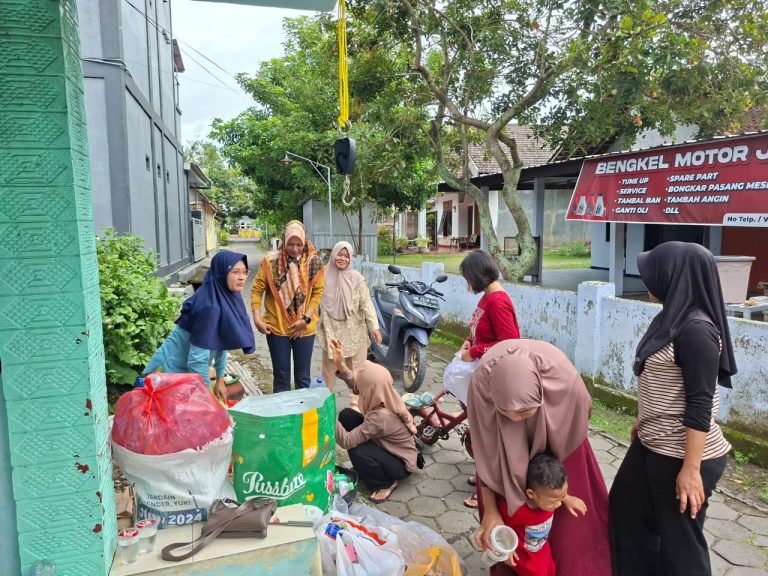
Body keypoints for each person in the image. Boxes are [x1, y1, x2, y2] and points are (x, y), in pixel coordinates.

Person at [609, 242, 736, 576]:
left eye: (654, 273)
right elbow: (662, 381)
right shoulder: (671, 317)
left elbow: (700, 401)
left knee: (681, 546)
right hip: (653, 440)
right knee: (628, 512)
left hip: (683, 453)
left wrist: (691, 469)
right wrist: (643, 418)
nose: (647, 279)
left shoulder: (696, 330)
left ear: (674, 276)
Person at [468, 339, 611, 576]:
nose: (515, 421)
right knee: (504, 523)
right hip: (500, 438)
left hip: (559, 436)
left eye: (525, 412)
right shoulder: (482, 386)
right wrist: (492, 511)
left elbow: (579, 417)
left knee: (571, 529)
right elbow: (486, 453)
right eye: (505, 412)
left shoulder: (565, 384)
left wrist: (562, 496)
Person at [143, 250, 255, 402]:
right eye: (235, 272)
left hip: (187, 374)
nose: (242, 277)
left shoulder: (224, 296)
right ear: (221, 273)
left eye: (244, 272)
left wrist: (221, 378)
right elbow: (196, 360)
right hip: (168, 374)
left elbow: (222, 341)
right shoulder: (208, 307)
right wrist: (206, 396)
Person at [458, 250, 521, 508]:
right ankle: (484, 477)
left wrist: (473, 351)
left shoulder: (498, 302)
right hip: (482, 372)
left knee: (490, 434)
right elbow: (480, 330)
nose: (467, 285)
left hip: (496, 375)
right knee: (480, 429)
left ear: (477, 276)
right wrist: (468, 340)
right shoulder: (487, 298)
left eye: (468, 279)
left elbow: (509, 343)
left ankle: (491, 490)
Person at [331, 339, 420, 503]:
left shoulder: (380, 417)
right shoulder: (384, 391)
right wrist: (340, 363)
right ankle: (368, 468)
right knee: (347, 415)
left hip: (400, 465)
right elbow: (358, 384)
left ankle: (383, 484)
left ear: (369, 389)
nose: (358, 386)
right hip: (388, 446)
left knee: (357, 450)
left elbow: (347, 441)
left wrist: (327, 415)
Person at [251, 220, 324, 392]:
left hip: (305, 329)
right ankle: (282, 416)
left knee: (303, 377)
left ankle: (301, 416)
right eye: (290, 244)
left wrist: (305, 320)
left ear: (305, 241)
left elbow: (317, 293)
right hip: (276, 328)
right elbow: (256, 289)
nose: (295, 249)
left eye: (299, 244)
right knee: (281, 378)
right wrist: (257, 319)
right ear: (284, 241)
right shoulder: (270, 263)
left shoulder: (314, 263)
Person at [317, 241, 381, 391]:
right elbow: (313, 300)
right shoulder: (322, 276)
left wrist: (374, 327)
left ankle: (356, 406)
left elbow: (366, 304)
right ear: (333, 255)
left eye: (347, 256)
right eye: (339, 254)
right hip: (331, 331)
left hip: (355, 330)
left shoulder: (357, 278)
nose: (342, 259)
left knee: (358, 372)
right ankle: (327, 405)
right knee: (329, 372)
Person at [503, 453, 577, 576]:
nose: (558, 504)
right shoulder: (517, 510)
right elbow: (501, 525)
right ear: (531, 494)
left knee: (551, 570)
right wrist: (507, 548)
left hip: (543, 550)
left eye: (562, 497)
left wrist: (567, 499)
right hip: (526, 558)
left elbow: (557, 496)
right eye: (554, 501)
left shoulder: (547, 499)